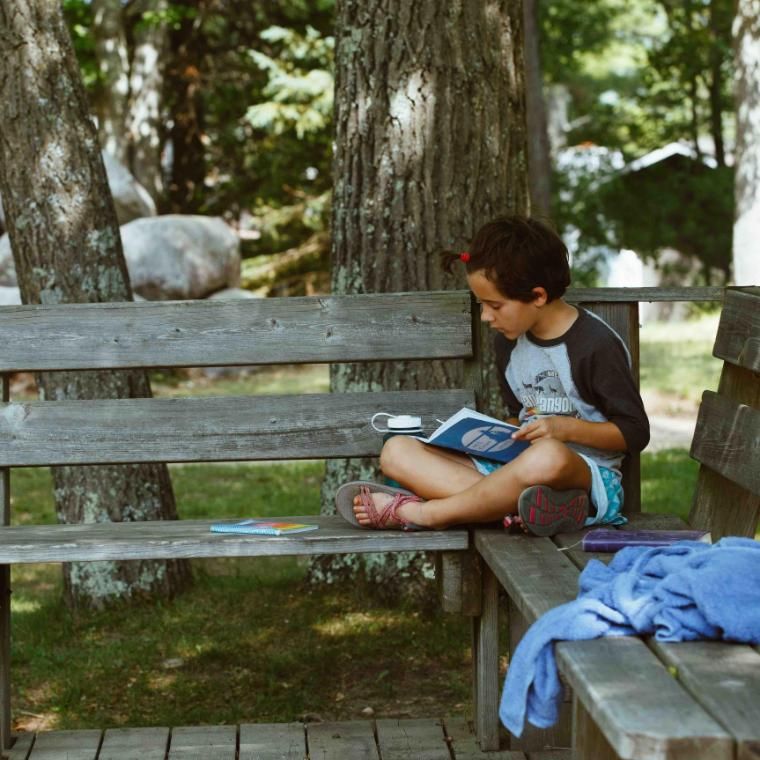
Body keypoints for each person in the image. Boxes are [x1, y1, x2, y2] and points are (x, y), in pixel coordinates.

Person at [335, 215, 650, 536]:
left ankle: (426, 512)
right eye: (481, 304)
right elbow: (520, 417)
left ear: (538, 296)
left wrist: (564, 429)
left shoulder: (594, 345)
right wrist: (489, 436)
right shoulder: (509, 344)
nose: (486, 316)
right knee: (397, 451)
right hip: (515, 471)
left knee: (548, 455)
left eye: (494, 305)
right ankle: (524, 507)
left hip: (587, 475)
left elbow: (635, 432)